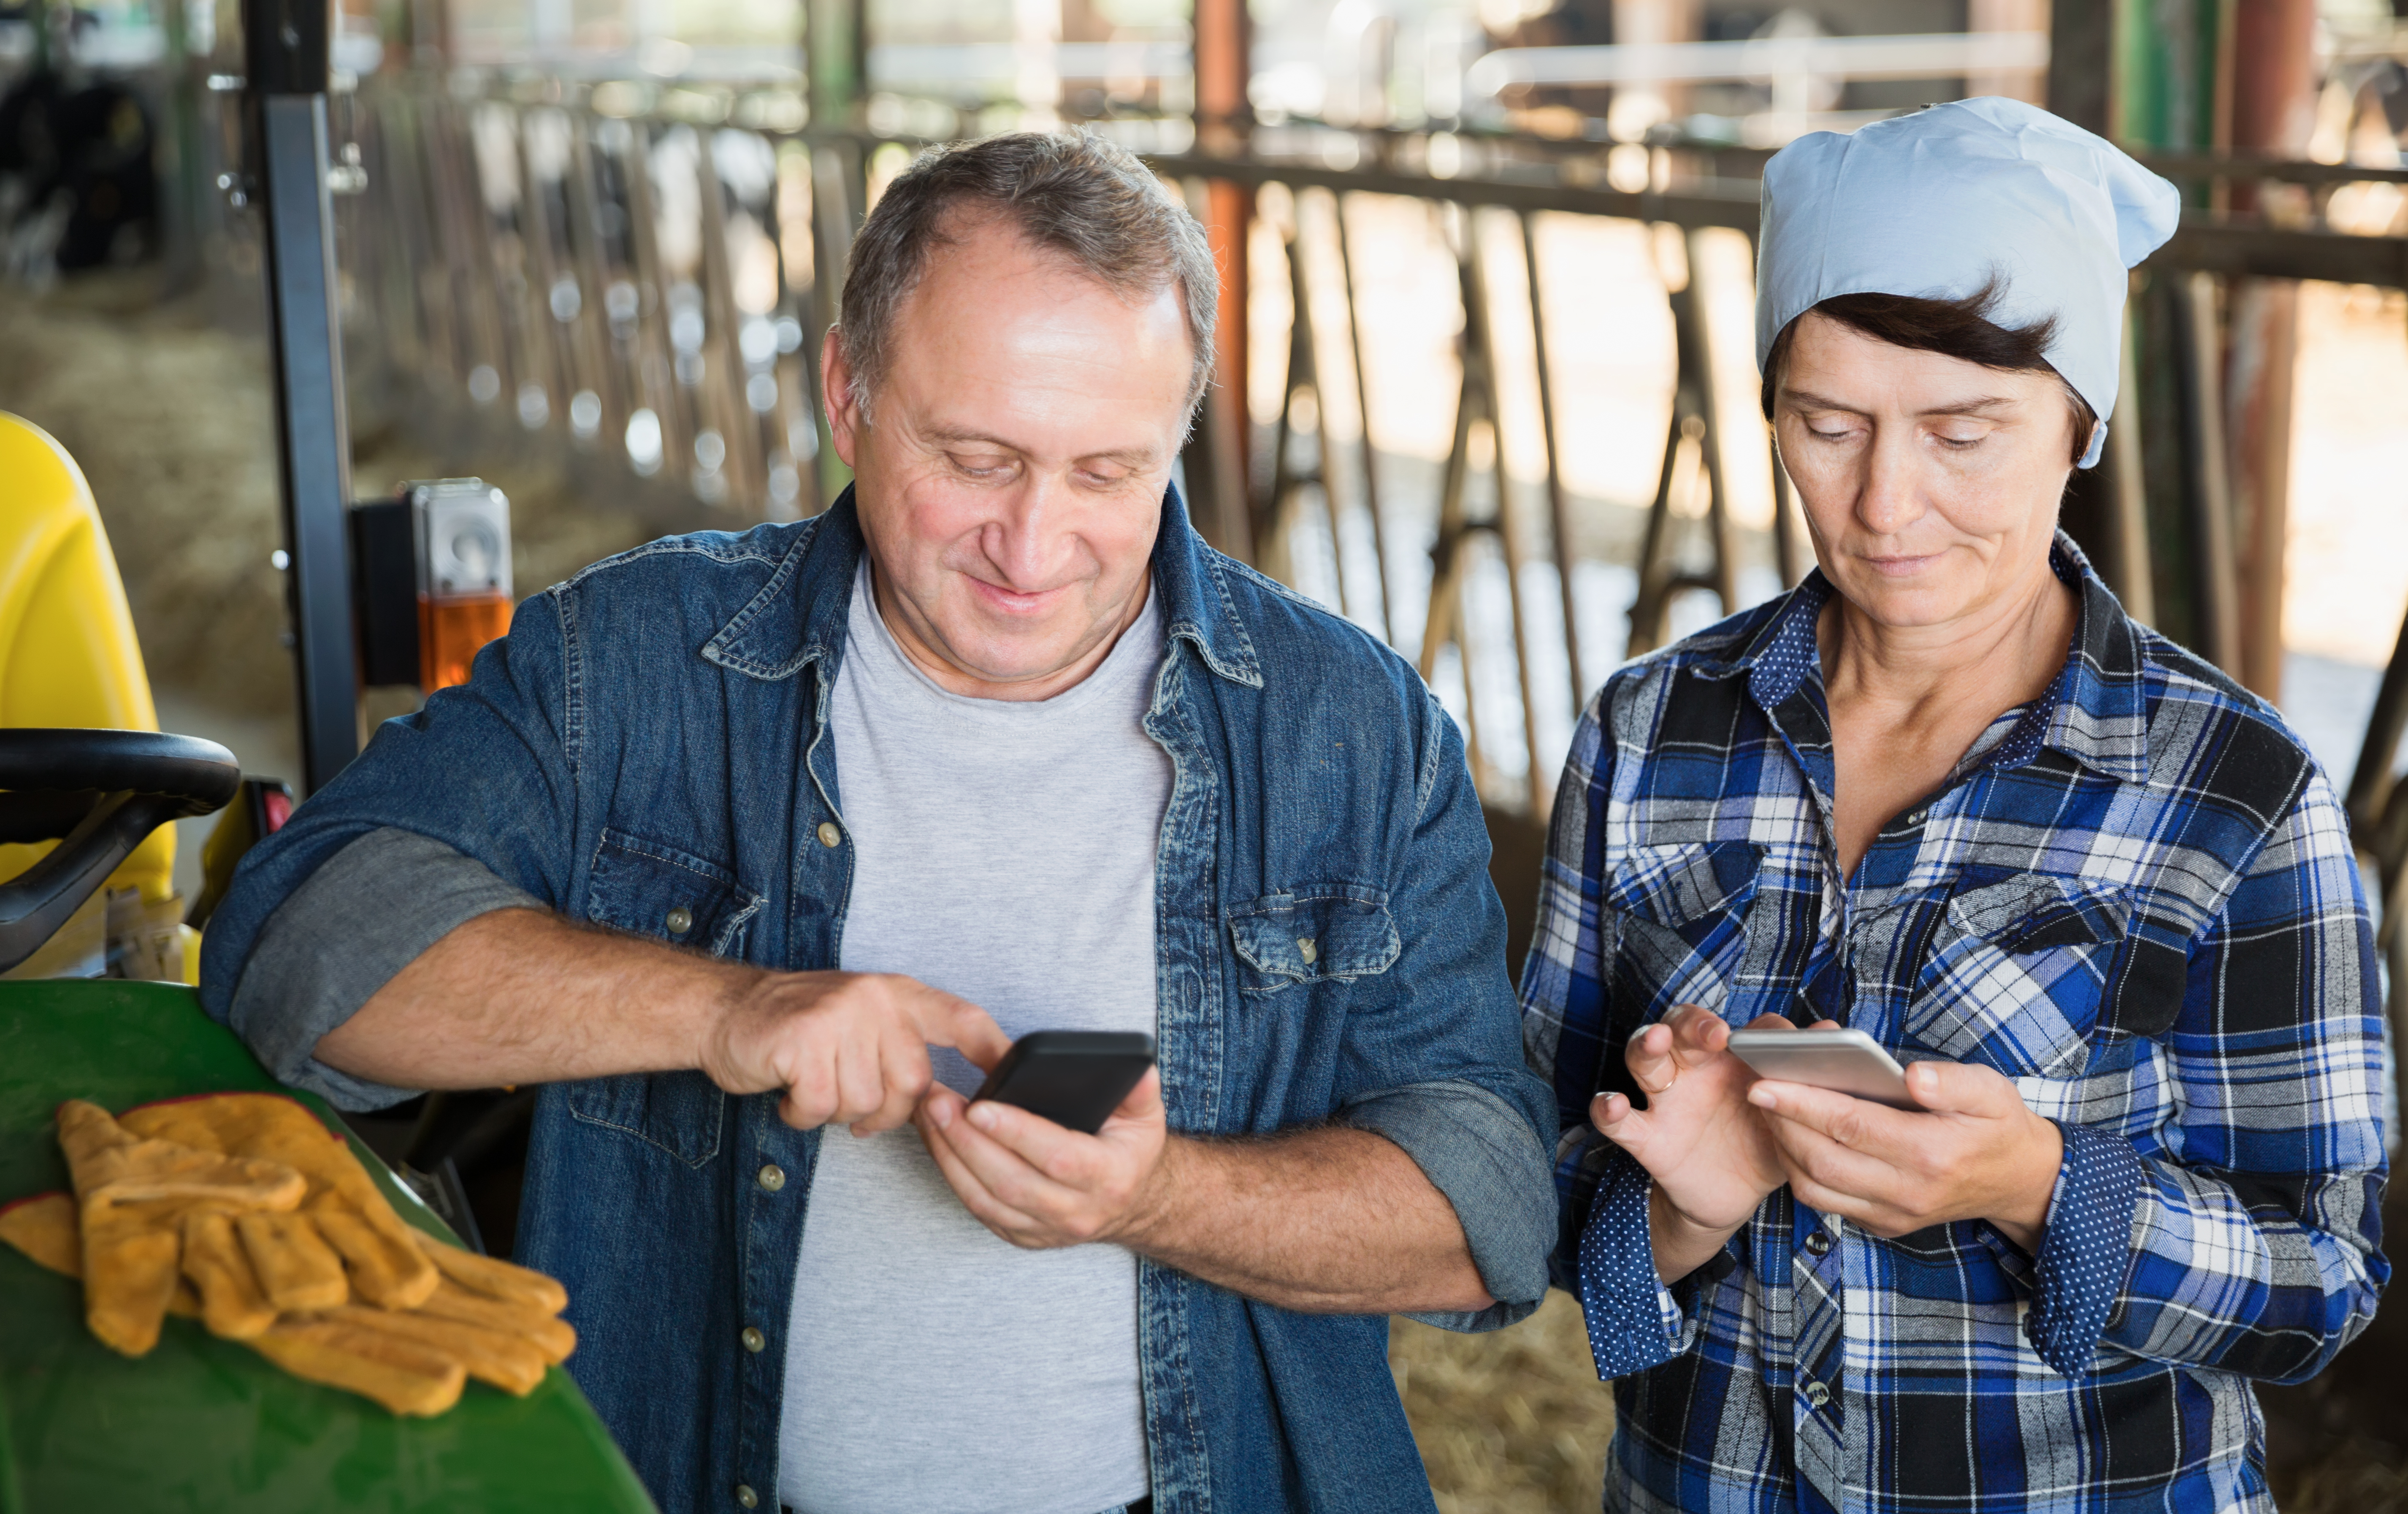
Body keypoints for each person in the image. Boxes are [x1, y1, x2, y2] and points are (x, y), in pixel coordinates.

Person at [201, 129, 1558, 1514]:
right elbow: (295, 951)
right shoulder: (633, 663)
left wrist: (1155, 1199)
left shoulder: (1350, 727)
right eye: (975, 459)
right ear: (849, 395)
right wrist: (734, 1012)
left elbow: (1494, 1209)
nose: (1032, 550)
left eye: (1107, 474)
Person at [1520, 98, 2388, 1512]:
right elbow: (1527, 1185)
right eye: (1829, 424)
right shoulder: (1653, 734)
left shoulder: (2232, 793)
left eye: (1966, 431)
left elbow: (2323, 1286)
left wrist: (2040, 1183)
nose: (1885, 502)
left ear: (2079, 423)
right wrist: (1673, 1205)